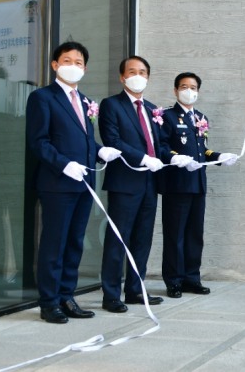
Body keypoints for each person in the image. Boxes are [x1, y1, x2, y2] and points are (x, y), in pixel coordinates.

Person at [26, 41, 121, 323]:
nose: (73, 66)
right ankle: (49, 302)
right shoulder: (42, 98)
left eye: (78, 63)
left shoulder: (86, 101)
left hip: (84, 183)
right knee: (54, 243)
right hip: (57, 183)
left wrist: (99, 149)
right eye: (67, 61)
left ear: (85, 68)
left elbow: (83, 138)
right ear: (55, 65)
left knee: (75, 242)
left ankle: (67, 296)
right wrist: (64, 164)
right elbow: (39, 141)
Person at [158, 72, 238, 298]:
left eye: (193, 87)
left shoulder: (201, 117)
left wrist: (221, 157)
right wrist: (176, 158)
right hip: (177, 184)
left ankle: (191, 278)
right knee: (175, 235)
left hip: (198, 184)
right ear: (175, 90)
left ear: (198, 92)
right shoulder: (166, 116)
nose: (189, 91)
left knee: (195, 234)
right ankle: (174, 280)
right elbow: (162, 146)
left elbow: (204, 150)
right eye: (184, 86)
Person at [99, 56, 165, 313]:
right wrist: (143, 158)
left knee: (142, 238)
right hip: (125, 182)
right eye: (132, 71)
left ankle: (135, 290)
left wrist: (169, 157)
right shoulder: (111, 105)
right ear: (122, 76)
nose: (138, 75)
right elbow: (112, 139)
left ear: (148, 77)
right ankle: (111, 294)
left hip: (150, 182)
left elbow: (159, 144)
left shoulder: (152, 108)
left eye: (143, 72)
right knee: (119, 239)